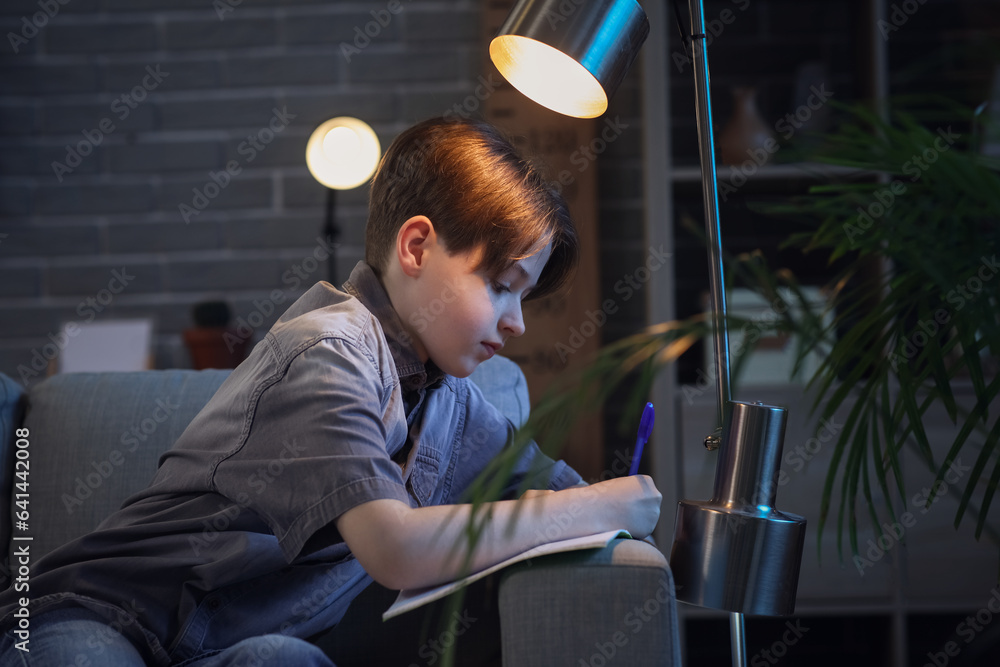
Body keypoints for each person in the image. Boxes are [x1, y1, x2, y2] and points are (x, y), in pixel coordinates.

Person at [0, 117, 661, 666]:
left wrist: (620, 506)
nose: (516, 321)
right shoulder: (328, 352)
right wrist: (596, 507)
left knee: (290, 660)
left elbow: (568, 494)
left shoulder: (451, 401)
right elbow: (395, 547)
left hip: (217, 645)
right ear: (417, 246)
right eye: (501, 284)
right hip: (100, 615)